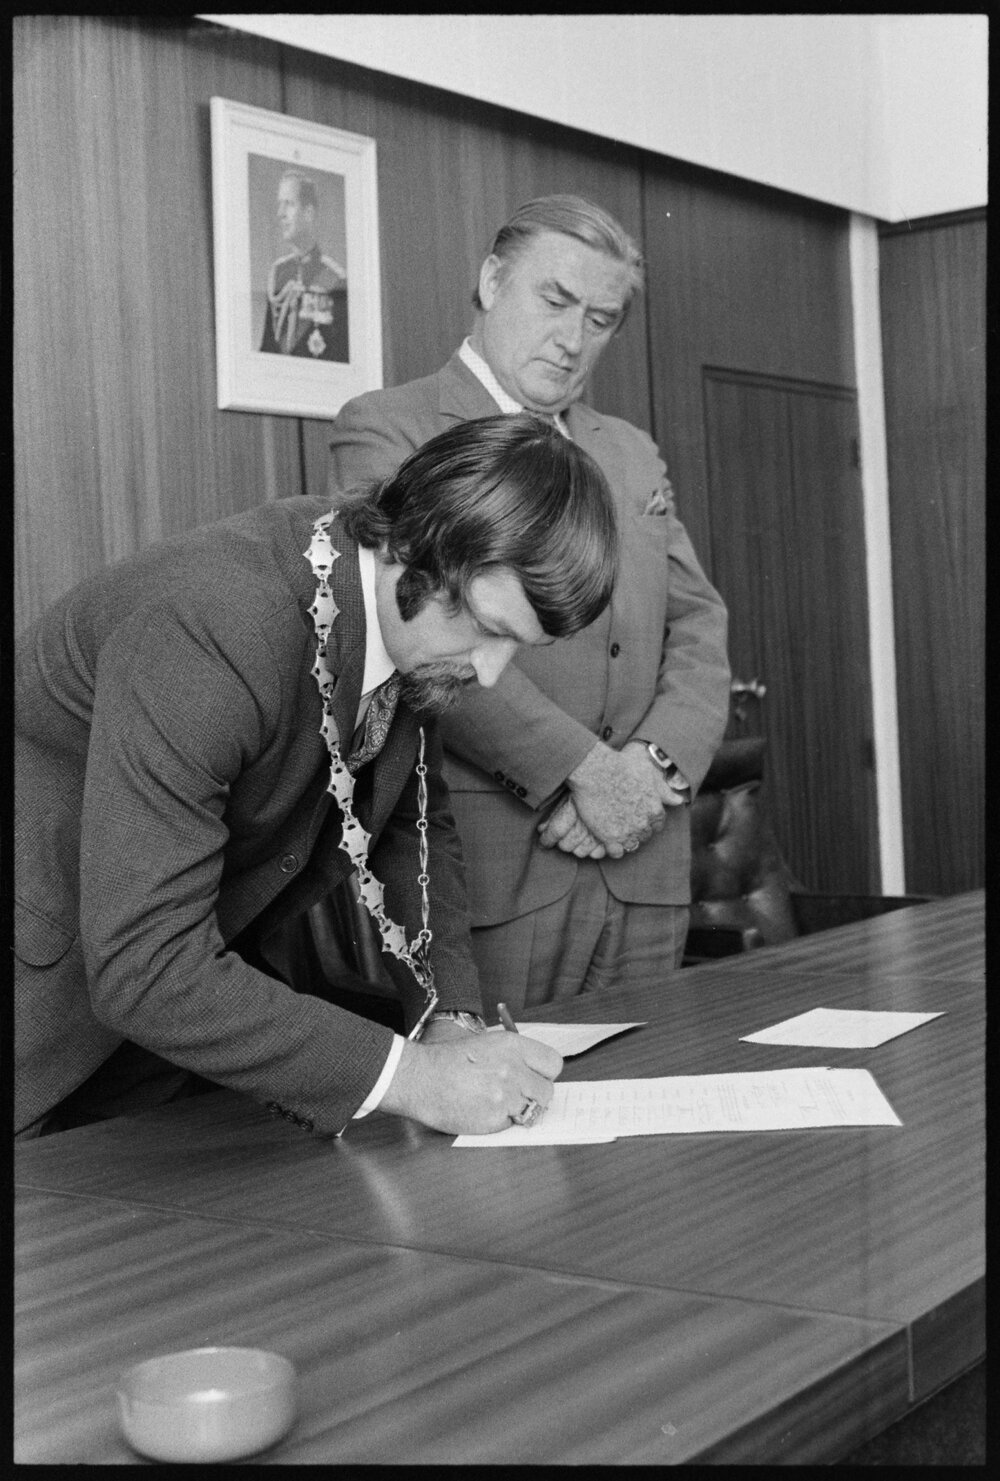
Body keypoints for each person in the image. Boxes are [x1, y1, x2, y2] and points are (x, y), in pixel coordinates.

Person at [14, 414, 618, 1141]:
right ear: (412, 545)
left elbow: (413, 826)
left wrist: (449, 1019)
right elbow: (146, 963)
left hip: (164, 1039)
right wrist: (415, 1079)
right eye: (489, 629)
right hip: (42, 1002)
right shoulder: (214, 623)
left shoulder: (400, 618)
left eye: (519, 646)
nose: (491, 672)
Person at [328, 194, 731, 1019]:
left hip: (645, 858)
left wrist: (650, 769)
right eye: (555, 300)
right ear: (491, 281)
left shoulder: (630, 451)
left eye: (600, 318)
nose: (573, 338)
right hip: (504, 864)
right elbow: (420, 631)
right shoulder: (389, 426)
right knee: (502, 1090)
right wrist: (585, 772)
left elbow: (697, 622)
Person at [260, 168, 349, 361]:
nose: (280, 213)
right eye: (280, 204)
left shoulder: (336, 279)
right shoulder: (278, 273)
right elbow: (268, 348)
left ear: (308, 213)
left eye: (289, 204)